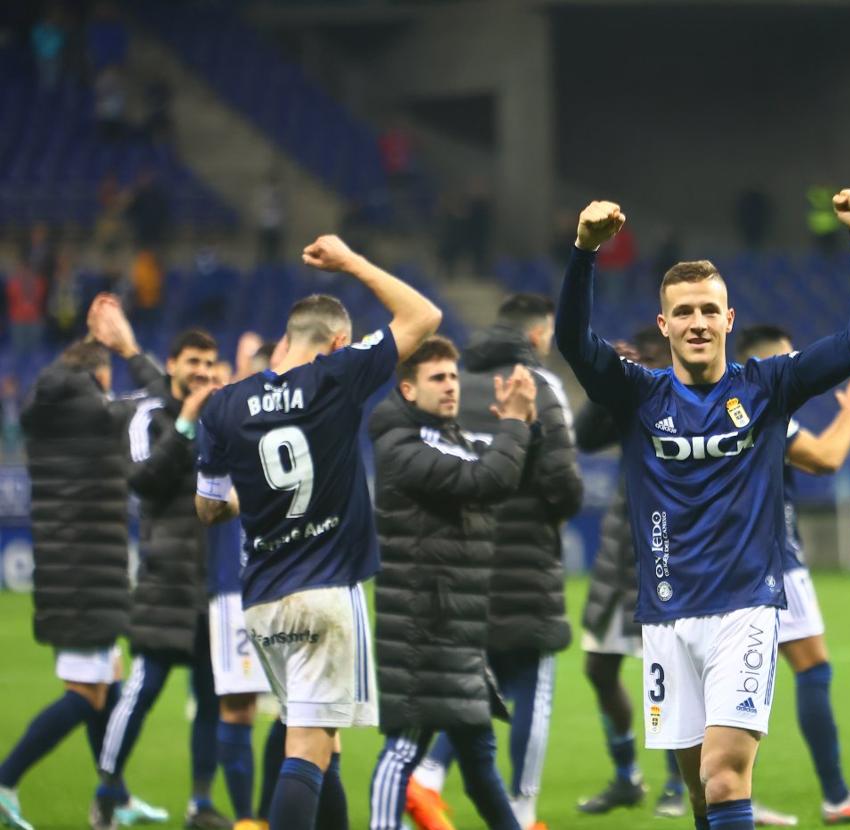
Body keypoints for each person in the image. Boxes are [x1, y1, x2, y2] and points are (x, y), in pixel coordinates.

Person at [555, 192, 850, 830]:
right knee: (700, 789)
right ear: (665, 324)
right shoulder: (636, 392)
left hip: (745, 609)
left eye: (709, 309)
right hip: (664, 616)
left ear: (730, 318)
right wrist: (585, 254)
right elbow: (574, 340)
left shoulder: (767, 385)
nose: (698, 321)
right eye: (685, 312)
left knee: (726, 771)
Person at [194, 235, 442, 830]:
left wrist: (247, 500)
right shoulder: (338, 374)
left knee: (322, 747)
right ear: (337, 341)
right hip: (327, 590)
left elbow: (206, 508)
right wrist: (352, 261)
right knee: (306, 747)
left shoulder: (223, 405)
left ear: (284, 338)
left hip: (261, 602)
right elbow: (424, 317)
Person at [410, 294, 583, 830]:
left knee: (481, 680)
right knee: (531, 681)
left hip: (459, 561)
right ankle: (524, 811)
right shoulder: (540, 386)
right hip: (525, 561)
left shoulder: (450, 384)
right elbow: (563, 485)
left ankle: (429, 777)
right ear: (537, 335)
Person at [0, 297, 164, 830]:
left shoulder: (46, 407)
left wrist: (90, 346)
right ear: (98, 374)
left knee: (104, 686)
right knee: (87, 694)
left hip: (65, 570)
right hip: (90, 574)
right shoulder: (100, 412)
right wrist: (125, 346)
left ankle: (112, 796)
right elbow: (166, 399)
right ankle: (5, 780)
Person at [367, 336, 537, 830]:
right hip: (421, 627)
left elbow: (509, 465)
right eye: (437, 378)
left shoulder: (451, 438)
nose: (449, 387)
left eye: (454, 377)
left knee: (479, 757)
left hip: (456, 626)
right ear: (408, 389)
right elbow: (488, 480)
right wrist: (513, 423)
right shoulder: (402, 447)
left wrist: (525, 421)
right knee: (403, 749)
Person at [737, 325, 850, 824]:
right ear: (770, 365)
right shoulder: (762, 402)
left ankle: (727, 798)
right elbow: (826, 460)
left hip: (727, 560)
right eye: (791, 360)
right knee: (809, 668)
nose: (800, 370)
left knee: (730, 682)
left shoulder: (724, 402)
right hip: (771, 559)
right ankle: (832, 795)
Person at [95, 329, 229, 830]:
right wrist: (189, 422)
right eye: (193, 360)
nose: (202, 370)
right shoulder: (149, 416)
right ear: (172, 364)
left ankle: (200, 803)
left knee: (210, 699)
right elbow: (144, 480)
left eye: (209, 362)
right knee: (142, 691)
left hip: (211, 583)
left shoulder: (218, 419)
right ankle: (107, 790)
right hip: (164, 579)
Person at [573, 329, 689, 819]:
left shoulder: (694, 395)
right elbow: (586, 437)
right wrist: (606, 384)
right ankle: (626, 777)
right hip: (623, 543)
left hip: (672, 545)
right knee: (598, 666)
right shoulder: (632, 394)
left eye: (652, 357)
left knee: (665, 670)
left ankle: (677, 783)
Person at [201, 356, 275, 830]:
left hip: (290, 582)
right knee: (239, 704)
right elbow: (210, 501)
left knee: (302, 707)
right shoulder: (223, 424)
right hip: (235, 584)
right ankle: (249, 819)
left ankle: (270, 815)